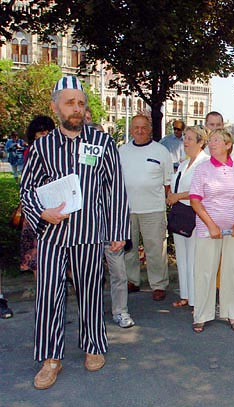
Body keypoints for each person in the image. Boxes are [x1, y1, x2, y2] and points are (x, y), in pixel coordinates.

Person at [20, 76, 130, 389]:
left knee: (91, 293)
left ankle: (94, 344)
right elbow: (27, 189)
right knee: (49, 296)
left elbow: (115, 189)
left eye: (81, 103)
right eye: (70, 103)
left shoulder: (102, 143)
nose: (77, 109)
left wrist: (118, 229)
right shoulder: (42, 147)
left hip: (91, 233)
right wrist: (42, 212)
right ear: (55, 106)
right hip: (53, 236)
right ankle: (51, 358)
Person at [189, 128, 234, 333]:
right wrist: (211, 225)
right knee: (205, 272)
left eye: (217, 140)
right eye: (210, 140)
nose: (212, 143)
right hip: (208, 229)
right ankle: (201, 315)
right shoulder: (202, 169)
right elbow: (195, 200)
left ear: (228, 145)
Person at [119, 114, 172, 301]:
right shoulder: (122, 151)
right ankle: (132, 280)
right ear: (131, 129)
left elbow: (168, 183)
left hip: (153, 209)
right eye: (136, 127)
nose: (140, 131)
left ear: (149, 129)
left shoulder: (161, 151)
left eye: (143, 127)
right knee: (128, 249)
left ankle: (158, 284)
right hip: (127, 209)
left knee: (156, 249)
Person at [166, 126, 210, 308]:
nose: (185, 142)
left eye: (190, 139)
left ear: (201, 142)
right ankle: (185, 294)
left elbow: (201, 190)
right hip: (180, 214)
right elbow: (174, 184)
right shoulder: (184, 164)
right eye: (185, 138)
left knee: (194, 259)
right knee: (182, 257)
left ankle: (196, 299)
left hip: (195, 215)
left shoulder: (205, 163)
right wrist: (170, 195)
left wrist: (178, 196)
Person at [20, 116, 56, 276]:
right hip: (35, 210)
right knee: (36, 256)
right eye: (41, 133)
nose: (45, 136)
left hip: (53, 207)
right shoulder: (32, 152)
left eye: (48, 132)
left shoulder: (56, 152)